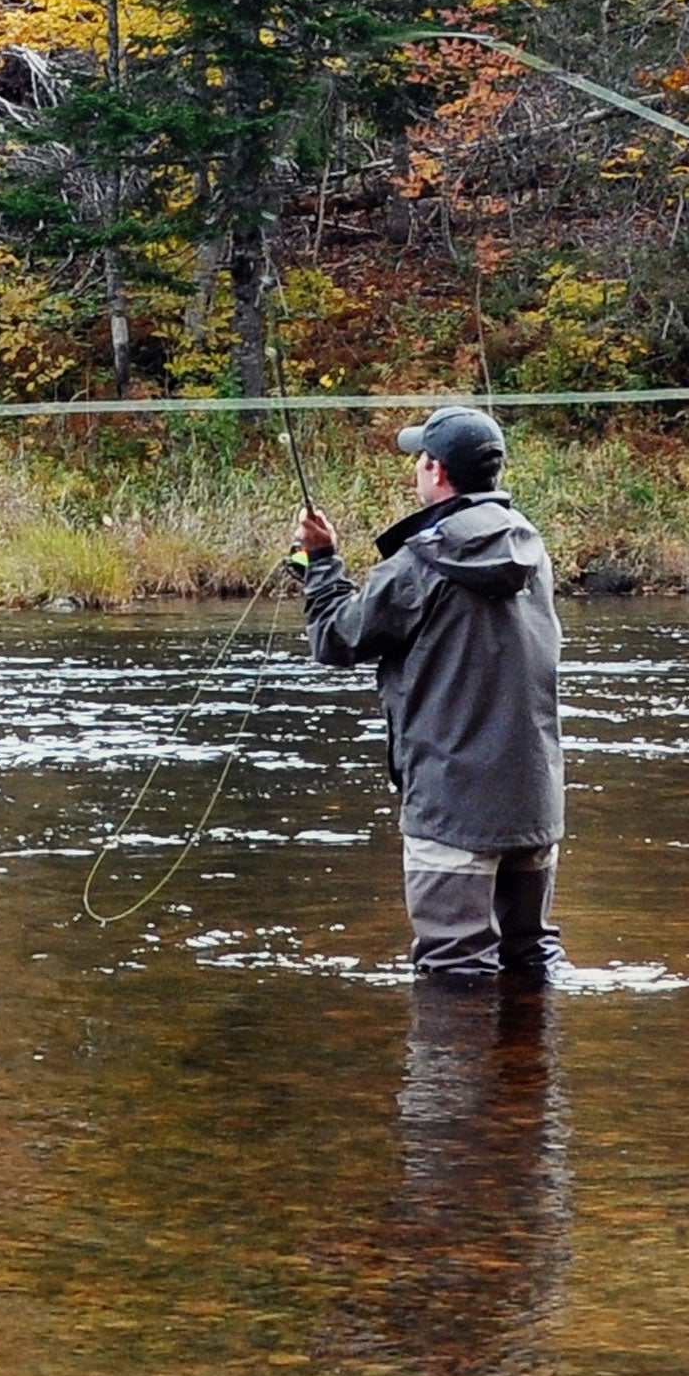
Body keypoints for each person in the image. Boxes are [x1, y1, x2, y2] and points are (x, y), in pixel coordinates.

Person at [293, 405, 570, 982]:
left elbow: (336, 639)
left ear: (437, 471)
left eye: (420, 460)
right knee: (530, 958)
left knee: (454, 969)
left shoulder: (420, 562)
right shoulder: (531, 548)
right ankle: (532, 1072)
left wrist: (320, 561)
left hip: (453, 808)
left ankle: (451, 1078)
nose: (416, 470)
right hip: (534, 803)